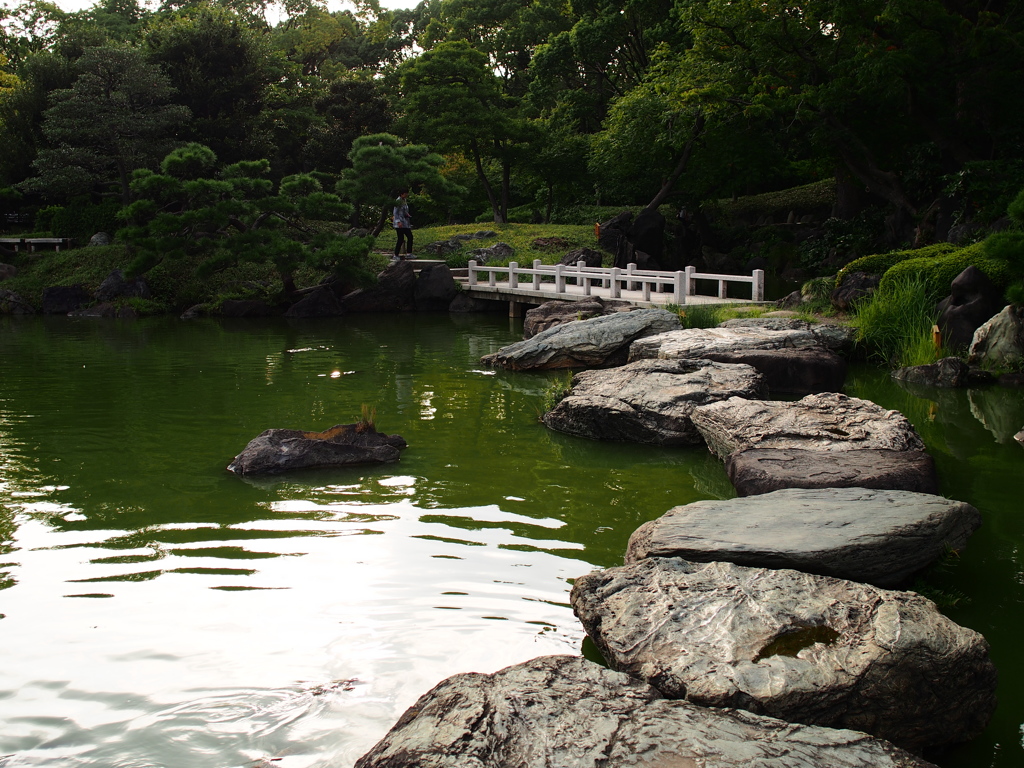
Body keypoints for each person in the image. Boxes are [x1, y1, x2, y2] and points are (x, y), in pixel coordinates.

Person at [392, 191, 413, 260]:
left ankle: (409, 253)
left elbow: (404, 211)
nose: (406, 194)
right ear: (401, 194)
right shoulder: (398, 201)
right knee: (400, 239)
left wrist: (407, 214)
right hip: (399, 223)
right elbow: (395, 213)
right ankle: (396, 254)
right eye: (405, 193)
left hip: (405, 222)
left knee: (410, 237)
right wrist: (398, 221)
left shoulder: (404, 201)